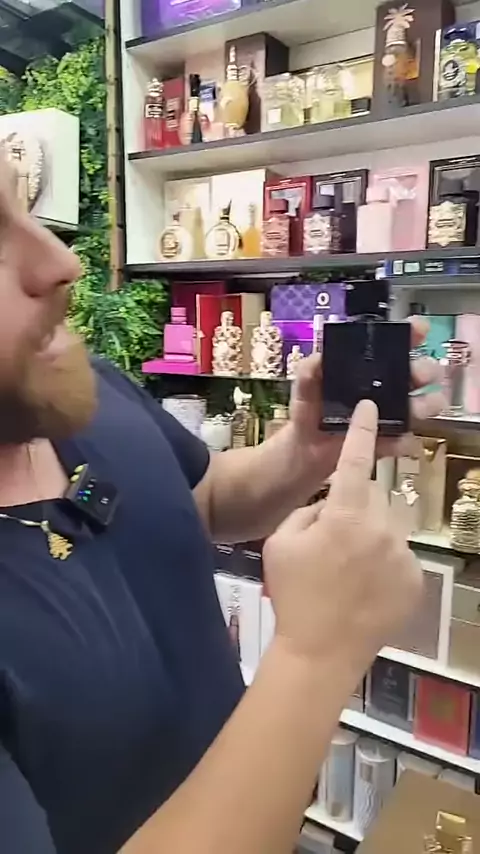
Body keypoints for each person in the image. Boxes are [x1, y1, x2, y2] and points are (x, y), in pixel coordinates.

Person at [0, 154, 443, 854]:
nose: (62, 262)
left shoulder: (81, 390)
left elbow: (201, 502)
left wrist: (304, 452)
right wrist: (314, 655)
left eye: (24, 207)